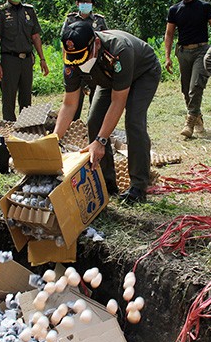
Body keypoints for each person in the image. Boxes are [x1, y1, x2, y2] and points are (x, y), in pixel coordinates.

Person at [53, 22, 161, 205]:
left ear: (95, 43)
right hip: (107, 78)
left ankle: (138, 185)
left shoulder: (118, 50)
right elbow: (70, 103)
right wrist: (54, 139)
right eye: (74, 57)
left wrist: (101, 141)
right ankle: (106, 182)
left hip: (143, 72)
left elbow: (118, 101)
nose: (79, 62)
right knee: (94, 121)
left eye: (83, 56)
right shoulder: (72, 58)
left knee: (134, 122)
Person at [0, 0, 49, 121]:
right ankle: (9, 132)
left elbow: (35, 37)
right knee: (8, 99)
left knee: (26, 99)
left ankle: (24, 130)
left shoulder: (29, 11)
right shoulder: (0, 13)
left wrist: (42, 59)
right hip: (9, 60)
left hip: (27, 60)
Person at [164, 0, 211, 139]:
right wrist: (167, 57)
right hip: (183, 52)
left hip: (202, 50)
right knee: (186, 90)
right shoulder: (174, 10)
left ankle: (189, 122)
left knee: (196, 86)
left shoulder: (205, 7)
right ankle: (197, 117)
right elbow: (169, 33)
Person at [61, 0, 108, 121]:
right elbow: (65, 43)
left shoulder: (99, 21)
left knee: (96, 99)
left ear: (92, 3)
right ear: (77, 3)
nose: (85, 3)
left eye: (88, 1)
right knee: (74, 98)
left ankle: (94, 125)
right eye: (83, 1)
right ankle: (73, 126)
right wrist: (67, 65)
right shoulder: (70, 20)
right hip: (76, 64)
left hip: (95, 66)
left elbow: (105, 41)